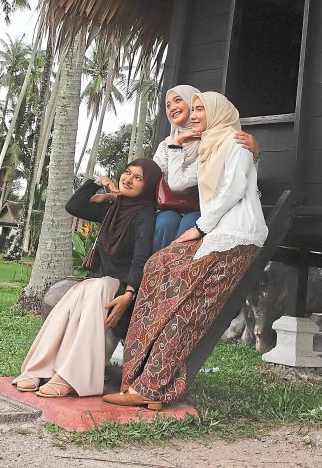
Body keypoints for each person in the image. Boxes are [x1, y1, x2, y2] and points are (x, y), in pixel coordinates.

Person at [107, 92, 268, 410]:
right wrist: (178, 143)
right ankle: (136, 374)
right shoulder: (210, 146)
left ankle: (152, 387)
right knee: (157, 266)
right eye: (192, 109)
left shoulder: (236, 142)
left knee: (187, 308)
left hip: (234, 237)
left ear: (217, 112)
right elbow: (179, 181)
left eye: (200, 109)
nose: (194, 114)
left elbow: (234, 189)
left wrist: (200, 228)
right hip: (217, 233)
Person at [13, 158, 160, 399]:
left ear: (148, 186)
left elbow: (140, 258)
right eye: (127, 172)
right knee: (75, 296)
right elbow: (75, 206)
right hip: (100, 288)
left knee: (94, 287)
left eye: (138, 178)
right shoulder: (113, 210)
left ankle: (70, 377)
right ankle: (40, 369)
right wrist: (99, 183)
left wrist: (129, 294)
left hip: (122, 294)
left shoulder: (145, 214)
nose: (128, 179)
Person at [149, 85, 260, 251]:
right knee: (164, 223)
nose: (172, 108)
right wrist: (176, 144)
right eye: (168, 105)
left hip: (205, 211)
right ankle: (153, 270)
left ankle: (171, 269)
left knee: (188, 224)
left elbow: (239, 175)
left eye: (178, 100)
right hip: (173, 206)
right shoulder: (167, 144)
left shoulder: (216, 140)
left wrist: (256, 154)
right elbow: (151, 175)